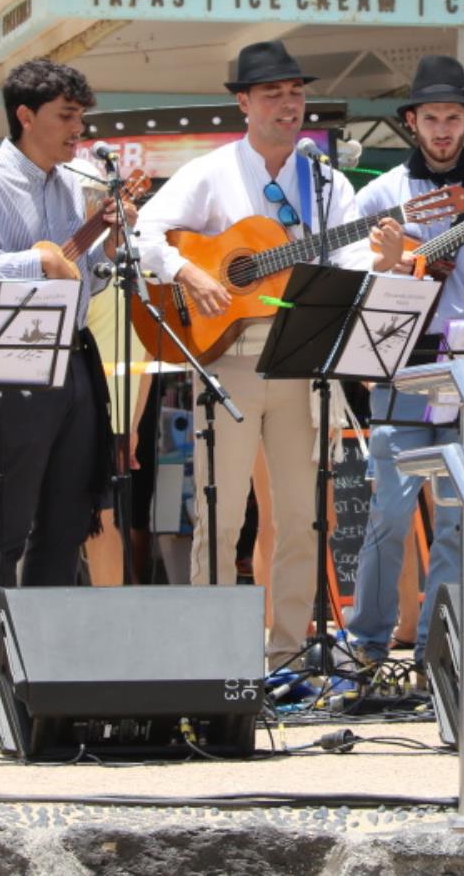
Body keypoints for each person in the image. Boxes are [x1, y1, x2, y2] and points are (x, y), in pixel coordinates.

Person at [135, 41, 385, 665]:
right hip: (229, 357)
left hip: (303, 360)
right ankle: (214, 652)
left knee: (301, 517)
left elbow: (350, 262)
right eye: (273, 93)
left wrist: (379, 261)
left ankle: (289, 653)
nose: (289, 103)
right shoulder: (211, 171)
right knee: (221, 511)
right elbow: (145, 232)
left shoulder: (324, 181)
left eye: (296, 92)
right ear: (244, 103)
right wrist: (187, 274)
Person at [0, 59, 128, 642]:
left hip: (72, 355)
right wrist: (35, 260)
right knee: (7, 518)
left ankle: (48, 652)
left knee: (67, 517)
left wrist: (106, 251)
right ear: (25, 116)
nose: (78, 129)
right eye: (65, 116)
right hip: (15, 360)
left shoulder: (73, 185)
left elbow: (82, 279)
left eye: (81, 117)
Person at [346, 56, 464, 664]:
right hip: (401, 365)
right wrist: (388, 265)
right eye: (431, 118)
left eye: (453, 117)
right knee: (388, 514)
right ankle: (366, 643)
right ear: (412, 123)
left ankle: (436, 649)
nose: (443, 129)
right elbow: (354, 289)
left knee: (454, 520)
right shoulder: (382, 194)